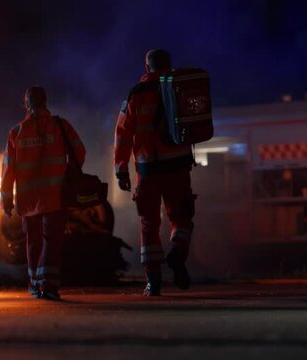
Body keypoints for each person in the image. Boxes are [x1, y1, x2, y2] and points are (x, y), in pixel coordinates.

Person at [114, 49, 196, 296]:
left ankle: (154, 281)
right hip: (179, 167)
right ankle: (176, 253)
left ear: (147, 68)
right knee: (182, 219)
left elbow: (122, 135)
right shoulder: (180, 89)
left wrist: (121, 170)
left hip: (148, 170)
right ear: (169, 65)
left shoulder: (135, 95)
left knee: (149, 224)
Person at [0, 86, 86, 300]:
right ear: (46, 102)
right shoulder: (60, 125)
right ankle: (48, 284)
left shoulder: (16, 132)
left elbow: (7, 169)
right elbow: (79, 152)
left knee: (33, 241)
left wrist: (6, 199)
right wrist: (69, 174)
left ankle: (35, 284)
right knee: (52, 240)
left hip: (28, 199)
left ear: (26, 104)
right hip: (55, 195)